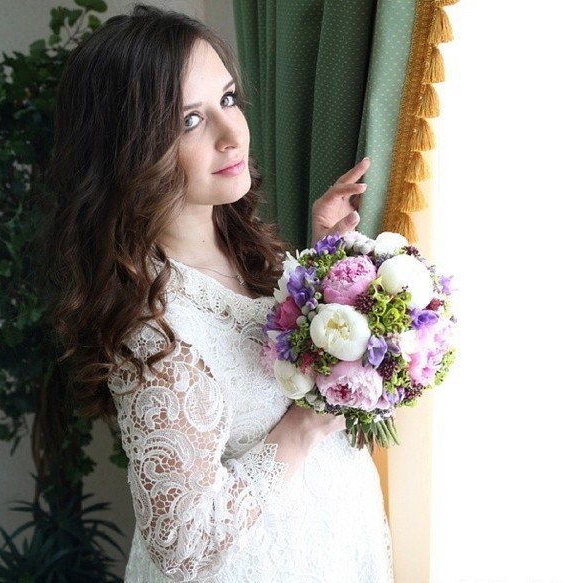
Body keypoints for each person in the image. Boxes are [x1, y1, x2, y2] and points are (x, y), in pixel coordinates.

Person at [44, 4, 394, 582]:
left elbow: (285, 360)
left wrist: (326, 264)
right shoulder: (153, 330)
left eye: (228, 99)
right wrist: (301, 428)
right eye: (190, 120)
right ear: (130, 148)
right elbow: (181, 547)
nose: (233, 136)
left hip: (332, 545)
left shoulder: (251, 251)